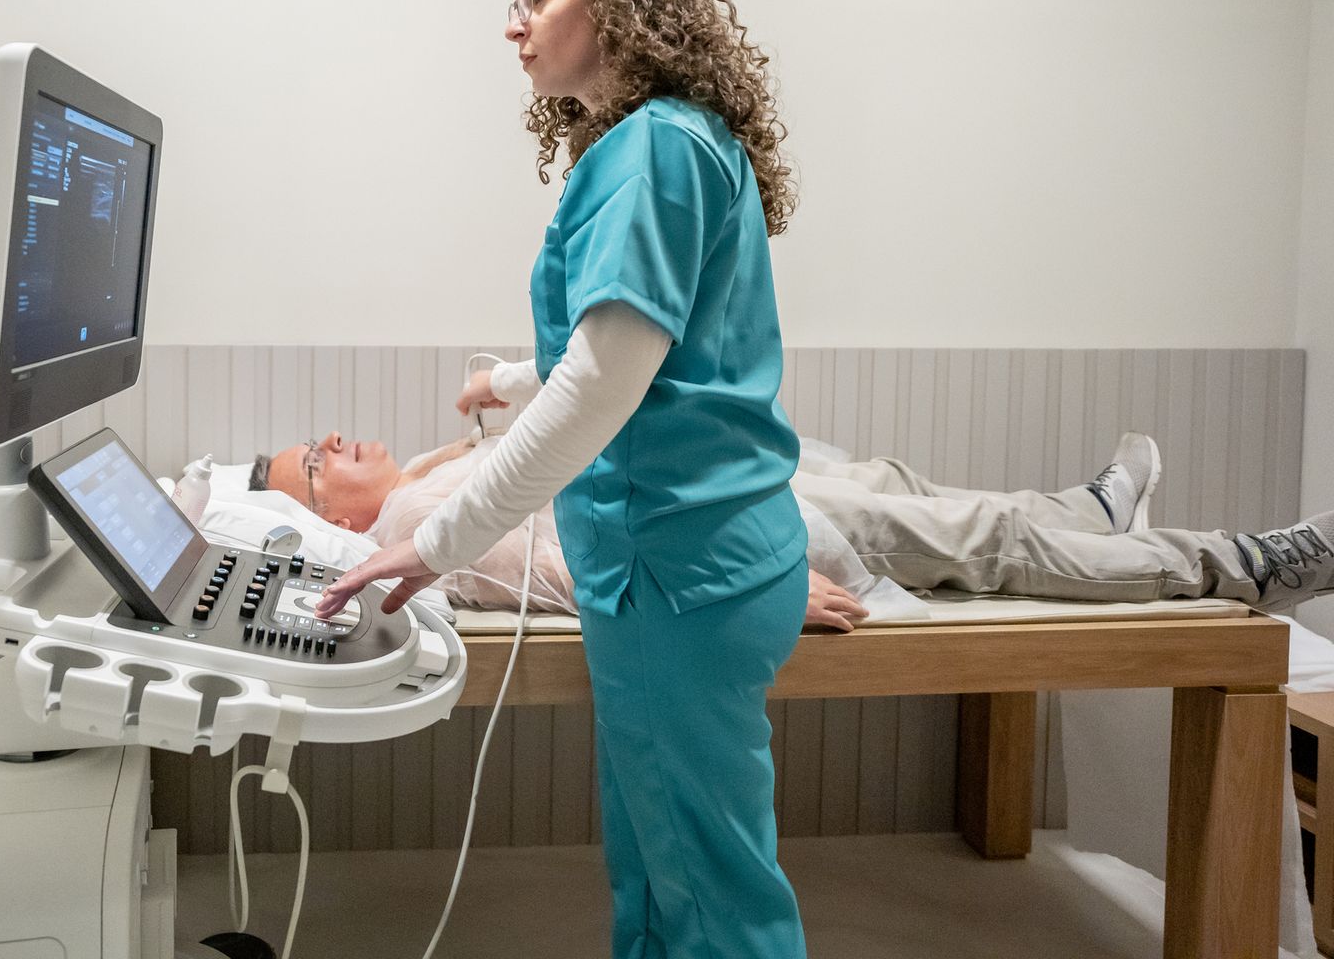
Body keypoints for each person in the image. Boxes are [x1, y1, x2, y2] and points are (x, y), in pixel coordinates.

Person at [312, 0, 812, 959]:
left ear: (620, 5)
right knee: (660, 853)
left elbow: (602, 386)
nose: (514, 23)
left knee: (708, 890)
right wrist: (510, 372)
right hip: (706, 559)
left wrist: (436, 541)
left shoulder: (649, 155)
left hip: (675, 569)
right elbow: (647, 344)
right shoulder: (682, 141)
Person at [255, 425, 1334, 616]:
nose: (336, 440)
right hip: (725, 539)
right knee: (978, 548)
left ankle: (1084, 509)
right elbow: (560, 572)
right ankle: (1236, 565)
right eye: (316, 460)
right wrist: (759, 594)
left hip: (714, 498)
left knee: (899, 486)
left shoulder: (428, 470)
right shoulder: (409, 517)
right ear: (324, 515)